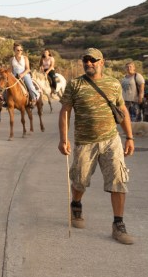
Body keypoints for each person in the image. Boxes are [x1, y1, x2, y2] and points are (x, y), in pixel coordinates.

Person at [58, 48, 136, 245]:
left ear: (102, 62)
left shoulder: (113, 84)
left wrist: (130, 137)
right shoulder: (75, 84)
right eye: (86, 60)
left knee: (118, 179)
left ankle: (118, 224)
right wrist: (63, 138)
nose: (89, 63)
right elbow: (65, 111)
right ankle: (76, 205)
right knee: (80, 180)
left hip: (111, 140)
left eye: (93, 60)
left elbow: (122, 109)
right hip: (85, 142)